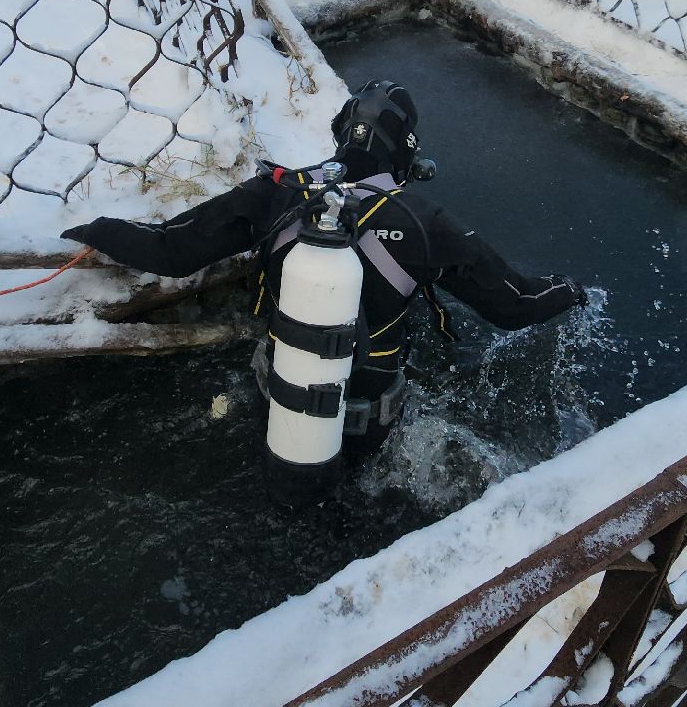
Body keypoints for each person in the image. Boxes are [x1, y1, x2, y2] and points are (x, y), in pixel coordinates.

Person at [61, 81, 587, 471]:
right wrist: (573, 289)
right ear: (406, 150)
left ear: (339, 132)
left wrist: (98, 228)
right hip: (368, 427)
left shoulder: (276, 191)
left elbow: (169, 250)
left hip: (279, 396)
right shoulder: (425, 224)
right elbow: (516, 305)